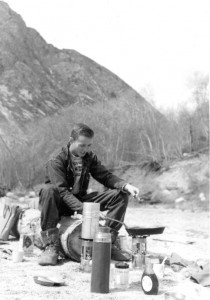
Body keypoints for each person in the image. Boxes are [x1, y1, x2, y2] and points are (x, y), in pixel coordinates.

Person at [38, 123, 139, 266]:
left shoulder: (89, 157)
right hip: (59, 202)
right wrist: (85, 211)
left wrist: (125, 185)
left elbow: (105, 176)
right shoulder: (56, 159)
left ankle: (107, 242)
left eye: (89, 146)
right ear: (71, 140)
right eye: (82, 145)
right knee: (49, 190)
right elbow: (62, 191)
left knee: (120, 195)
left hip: (80, 199)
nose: (85, 149)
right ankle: (50, 246)